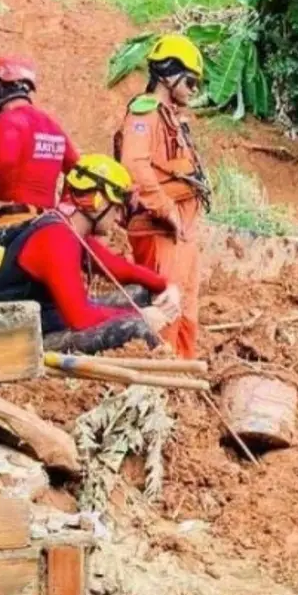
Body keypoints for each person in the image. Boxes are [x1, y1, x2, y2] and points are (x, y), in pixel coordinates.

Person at [0, 153, 182, 355]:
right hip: (22, 339)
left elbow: (119, 269)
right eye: (117, 208)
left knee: (141, 293)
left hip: (44, 321)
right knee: (135, 328)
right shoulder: (57, 238)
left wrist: (166, 286)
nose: (119, 217)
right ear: (100, 202)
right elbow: (80, 318)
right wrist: (140, 316)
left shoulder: (68, 228)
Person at [115, 34, 208, 360]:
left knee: (186, 310)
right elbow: (134, 166)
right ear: (169, 74)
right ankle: (161, 380)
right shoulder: (145, 113)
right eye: (191, 81)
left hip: (181, 232)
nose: (194, 89)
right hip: (160, 230)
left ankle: (182, 375)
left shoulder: (172, 118)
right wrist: (166, 209)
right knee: (166, 308)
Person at [0, 55, 79, 230]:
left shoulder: (9, 120)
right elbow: (77, 168)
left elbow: (4, 162)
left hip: (12, 220)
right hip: (47, 222)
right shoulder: (52, 125)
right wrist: (63, 208)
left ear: (0, 88)